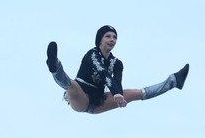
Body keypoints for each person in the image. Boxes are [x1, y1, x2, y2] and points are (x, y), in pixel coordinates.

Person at [45, 26, 189, 115]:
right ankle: (55, 66)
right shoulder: (92, 54)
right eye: (108, 36)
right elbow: (103, 72)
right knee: (71, 85)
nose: (112, 39)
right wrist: (116, 93)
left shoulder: (117, 63)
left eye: (114, 37)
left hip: (98, 101)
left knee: (134, 93)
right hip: (81, 97)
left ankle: (174, 81)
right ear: (100, 40)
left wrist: (119, 95)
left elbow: (117, 82)